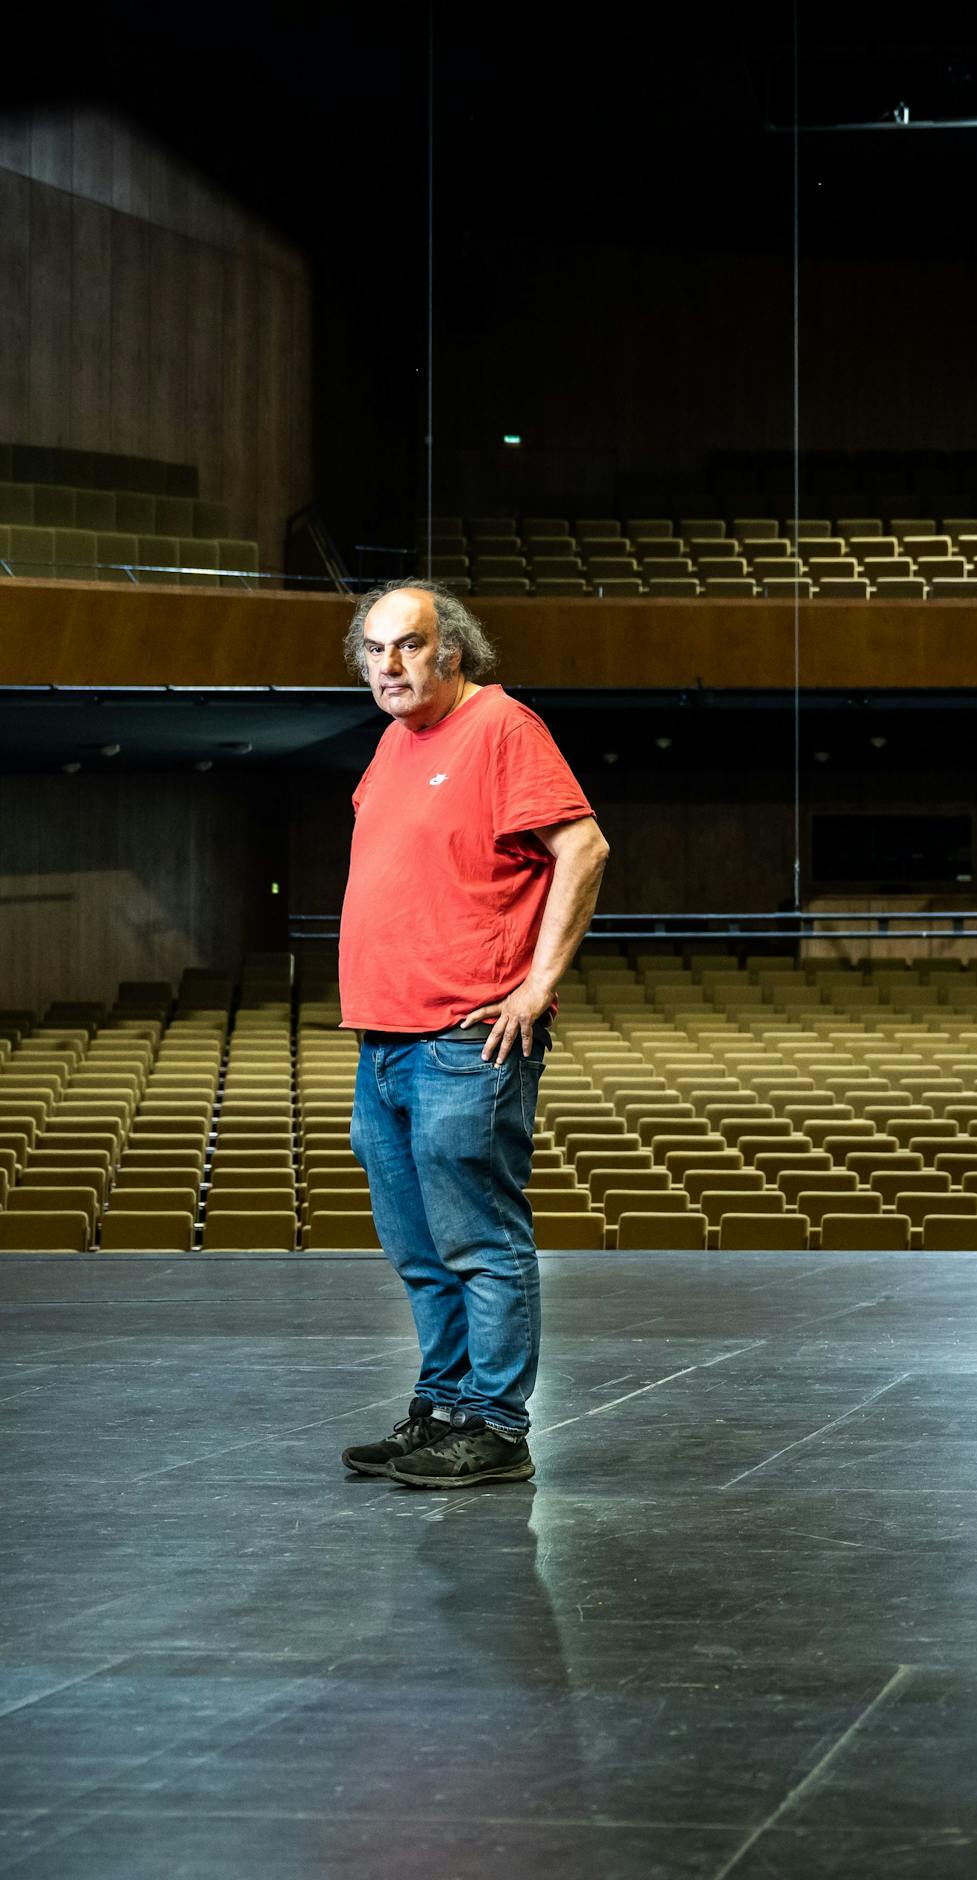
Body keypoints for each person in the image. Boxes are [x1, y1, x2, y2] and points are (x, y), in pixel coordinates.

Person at [334, 580, 610, 1487]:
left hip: (466, 1038)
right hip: (384, 1042)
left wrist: (538, 985)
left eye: (408, 646)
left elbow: (585, 847)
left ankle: (496, 1425)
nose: (389, 666)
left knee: (480, 1246)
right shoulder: (391, 743)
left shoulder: (501, 727)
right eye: (374, 650)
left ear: (452, 650)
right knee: (419, 1252)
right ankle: (445, 1405)